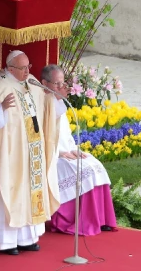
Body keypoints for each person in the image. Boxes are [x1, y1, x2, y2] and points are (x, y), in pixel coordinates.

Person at [0, 51, 60, 255]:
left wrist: (56, 98)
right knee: (11, 190)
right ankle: (6, 242)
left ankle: (27, 238)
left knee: (30, 192)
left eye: (29, 66)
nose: (28, 71)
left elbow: (45, 104)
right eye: (23, 68)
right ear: (10, 69)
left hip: (32, 150)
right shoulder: (0, 87)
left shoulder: (30, 82)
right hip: (10, 153)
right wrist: (0, 109)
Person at [40, 64, 117, 236]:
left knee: (93, 164)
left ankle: (101, 219)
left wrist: (75, 149)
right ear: (44, 83)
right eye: (56, 84)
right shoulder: (41, 103)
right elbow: (43, 137)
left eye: (62, 83)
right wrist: (60, 153)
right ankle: (79, 221)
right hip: (51, 156)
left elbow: (65, 134)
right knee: (82, 170)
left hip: (67, 151)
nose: (61, 88)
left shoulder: (60, 102)